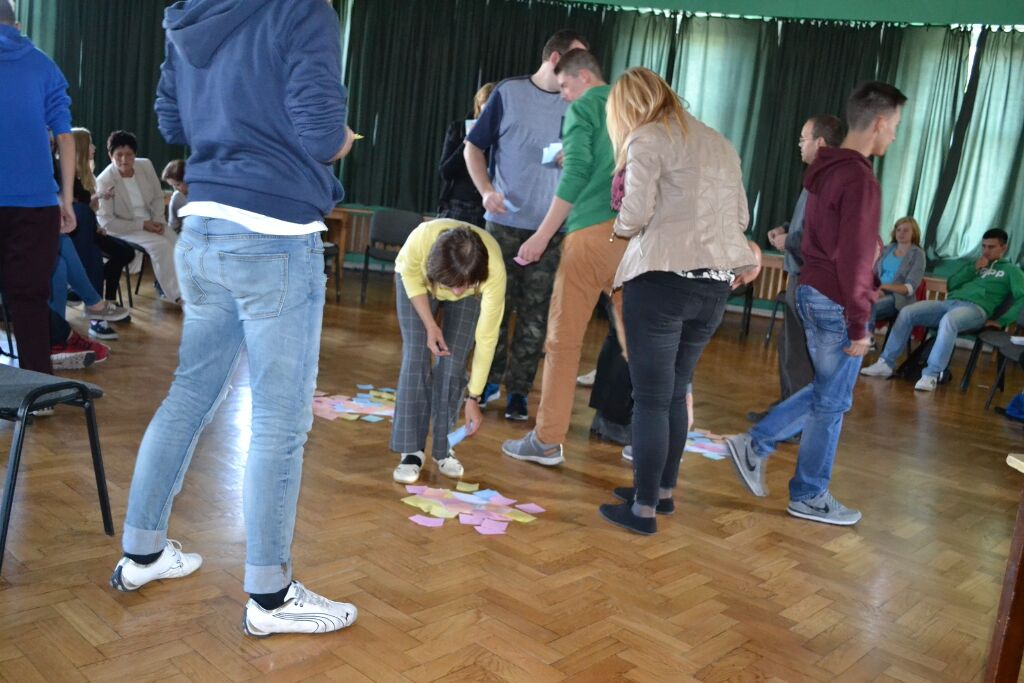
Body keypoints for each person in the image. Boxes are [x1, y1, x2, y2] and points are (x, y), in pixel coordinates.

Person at [110, 0, 358, 638]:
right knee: (279, 421)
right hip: (275, 236)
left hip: (204, 230)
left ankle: (142, 553)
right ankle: (271, 599)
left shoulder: (190, 12)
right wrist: (342, 139)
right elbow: (322, 135)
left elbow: (171, 120)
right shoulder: (302, 10)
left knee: (189, 394)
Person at [727, 81, 907, 526]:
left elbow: (820, 242)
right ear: (879, 122)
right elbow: (855, 257)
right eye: (895, 126)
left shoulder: (824, 172)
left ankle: (764, 451)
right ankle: (799, 484)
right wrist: (861, 323)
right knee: (832, 400)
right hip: (836, 302)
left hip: (810, 291)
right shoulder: (860, 178)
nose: (894, 135)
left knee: (829, 395)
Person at [596, 67, 758, 535]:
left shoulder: (647, 137)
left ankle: (642, 510)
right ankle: (661, 492)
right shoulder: (720, 142)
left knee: (649, 398)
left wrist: (619, 228)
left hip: (661, 283)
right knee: (674, 390)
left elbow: (635, 214)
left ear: (628, 108)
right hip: (714, 287)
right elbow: (742, 217)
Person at [500, 48, 621, 466]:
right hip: (631, 237)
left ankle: (548, 440)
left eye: (565, 86)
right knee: (638, 345)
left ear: (584, 77)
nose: (564, 96)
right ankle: (655, 442)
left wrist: (542, 234)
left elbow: (577, 172)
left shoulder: (584, 106)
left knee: (562, 342)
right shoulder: (629, 104)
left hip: (589, 234)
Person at [464, 29, 588, 421]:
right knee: (494, 309)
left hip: (552, 232)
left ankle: (519, 391)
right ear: (554, 59)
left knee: (536, 317)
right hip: (503, 225)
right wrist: (486, 191)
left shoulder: (582, 103)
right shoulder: (509, 93)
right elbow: (473, 147)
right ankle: (486, 383)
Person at [390, 220, 506, 483]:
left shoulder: (493, 272)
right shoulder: (420, 241)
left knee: (453, 363)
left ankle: (444, 447)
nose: (456, 292)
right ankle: (411, 451)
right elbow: (411, 278)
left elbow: (486, 339)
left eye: (464, 284)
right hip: (418, 283)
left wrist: (474, 397)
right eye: (452, 285)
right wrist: (430, 325)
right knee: (416, 356)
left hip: (467, 285)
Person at [749, 115, 845, 421]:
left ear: (821, 142)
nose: (799, 144)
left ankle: (795, 420)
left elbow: (826, 236)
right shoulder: (817, 176)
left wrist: (789, 240)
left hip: (812, 280)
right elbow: (807, 222)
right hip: (799, 274)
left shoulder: (833, 180)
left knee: (801, 352)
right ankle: (787, 411)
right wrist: (785, 228)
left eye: (804, 139)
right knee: (790, 347)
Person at [0, 0, 78, 374]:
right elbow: (65, 137)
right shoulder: (44, 65)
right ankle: (38, 391)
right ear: (17, 25)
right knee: (30, 302)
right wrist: (66, 199)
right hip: (36, 205)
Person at [862, 228, 1024, 391]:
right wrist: (972, 269)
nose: (986, 251)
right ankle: (885, 363)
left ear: (1004, 248)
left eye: (991, 247)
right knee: (908, 312)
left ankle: (931, 375)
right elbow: (951, 285)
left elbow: (1022, 297)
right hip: (949, 303)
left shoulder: (1011, 271)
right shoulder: (975, 265)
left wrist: (1002, 321)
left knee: (949, 320)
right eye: (984, 246)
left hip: (975, 310)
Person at [96, 130, 182, 304]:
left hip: (152, 220)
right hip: (125, 228)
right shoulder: (104, 180)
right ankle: (177, 296)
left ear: (135, 154)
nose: (124, 160)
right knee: (161, 247)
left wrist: (158, 221)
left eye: (129, 154)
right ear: (110, 155)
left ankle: (191, 289)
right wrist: (142, 224)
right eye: (119, 155)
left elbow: (157, 196)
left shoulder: (145, 165)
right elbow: (107, 222)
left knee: (179, 244)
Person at [67, 127, 137, 340]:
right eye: (90, 144)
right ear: (80, 147)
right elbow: (73, 209)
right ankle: (97, 316)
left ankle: (91, 294)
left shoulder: (86, 173)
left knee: (125, 252)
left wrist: (96, 223)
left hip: (88, 230)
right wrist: (97, 199)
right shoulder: (66, 176)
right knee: (95, 258)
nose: (94, 147)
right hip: (72, 233)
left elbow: (86, 210)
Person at [437, 83, 494, 226]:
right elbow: (445, 171)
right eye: (485, 110)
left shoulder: (504, 136)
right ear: (478, 107)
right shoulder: (458, 129)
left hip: (488, 208)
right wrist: (468, 143)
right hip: (458, 204)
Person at [869, 216, 926, 327]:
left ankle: (864, 338)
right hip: (877, 291)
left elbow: (909, 288)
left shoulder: (918, 254)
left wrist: (884, 287)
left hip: (898, 298)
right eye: (898, 230)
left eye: (906, 230)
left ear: (914, 233)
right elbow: (873, 275)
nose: (901, 233)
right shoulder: (886, 249)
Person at [161, 158, 188, 234]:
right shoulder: (177, 198)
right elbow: (173, 227)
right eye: (172, 185)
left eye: (178, 184)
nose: (175, 189)